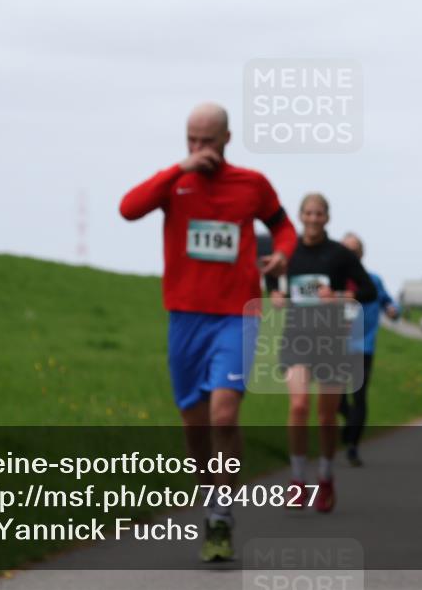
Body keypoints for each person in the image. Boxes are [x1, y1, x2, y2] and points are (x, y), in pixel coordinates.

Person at [119, 102, 297, 562]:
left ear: (226, 140)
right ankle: (212, 498)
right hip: (185, 317)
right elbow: (127, 209)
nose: (199, 149)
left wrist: (281, 255)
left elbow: (284, 229)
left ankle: (221, 514)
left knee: (223, 415)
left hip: (238, 315)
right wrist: (179, 168)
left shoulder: (251, 184)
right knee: (195, 425)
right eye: (191, 140)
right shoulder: (175, 182)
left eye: (207, 141)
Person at [271, 193, 377, 513]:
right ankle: (298, 481)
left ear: (327, 218)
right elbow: (270, 277)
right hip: (296, 338)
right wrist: (273, 293)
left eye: (319, 214)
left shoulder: (340, 254)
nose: (314, 219)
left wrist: (341, 295)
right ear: (300, 216)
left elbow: (368, 290)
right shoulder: (288, 251)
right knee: (299, 405)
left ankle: (326, 476)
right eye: (309, 213)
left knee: (326, 416)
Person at [338, 232, 398, 467]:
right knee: (337, 397)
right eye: (346, 250)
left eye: (354, 250)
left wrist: (393, 309)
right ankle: (349, 423)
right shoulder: (335, 280)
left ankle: (353, 445)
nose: (351, 254)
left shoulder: (373, 280)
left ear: (361, 254)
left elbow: (388, 301)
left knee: (358, 396)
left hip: (363, 345)